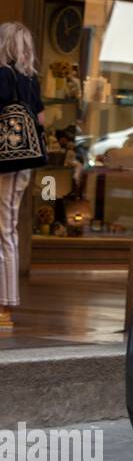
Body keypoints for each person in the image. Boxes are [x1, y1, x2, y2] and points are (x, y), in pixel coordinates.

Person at [0, 22, 47, 329]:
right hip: (23, 162)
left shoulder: (4, 75)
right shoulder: (30, 79)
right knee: (7, 227)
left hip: (7, 163)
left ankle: (5, 303)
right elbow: (41, 120)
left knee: (5, 229)